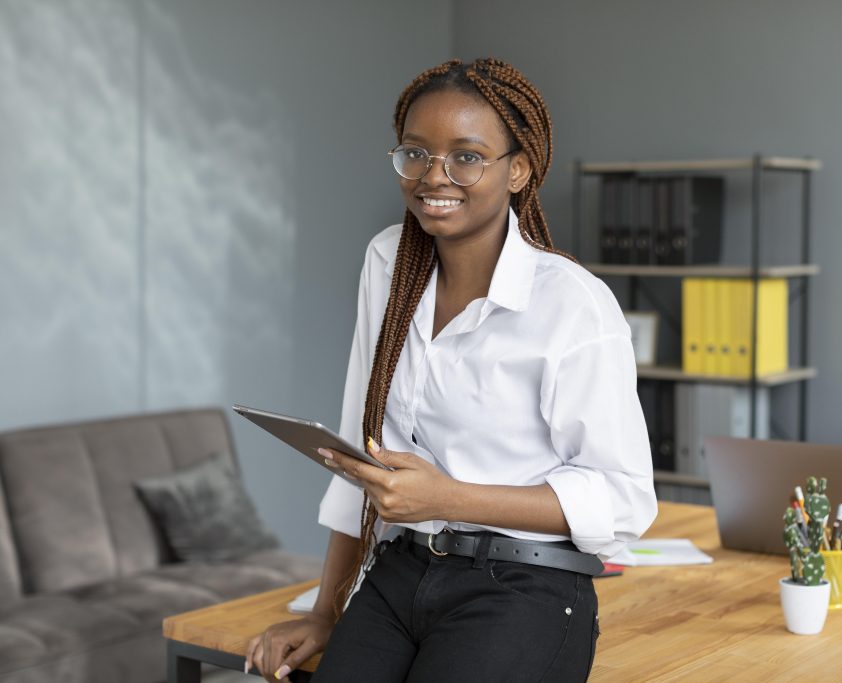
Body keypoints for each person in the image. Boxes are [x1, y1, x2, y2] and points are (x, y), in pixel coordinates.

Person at [245, 57, 657, 682]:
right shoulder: (388, 263)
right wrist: (325, 613)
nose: (434, 175)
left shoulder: (572, 304)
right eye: (416, 152)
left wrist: (449, 498)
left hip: (522, 586)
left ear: (518, 170)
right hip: (400, 572)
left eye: (467, 156)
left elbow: (624, 499)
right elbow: (364, 450)